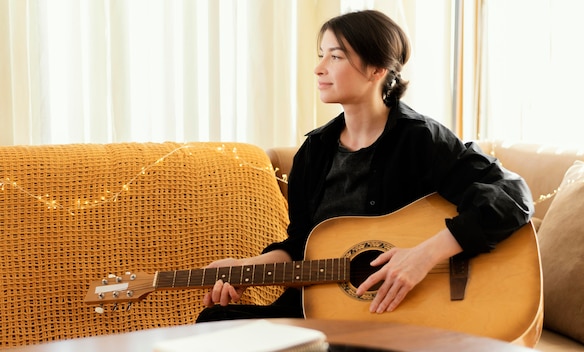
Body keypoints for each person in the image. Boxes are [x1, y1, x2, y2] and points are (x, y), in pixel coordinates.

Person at [196, 9, 533, 322]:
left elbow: (512, 196)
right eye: (321, 55)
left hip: (399, 315)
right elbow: (303, 247)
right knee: (213, 324)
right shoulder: (313, 152)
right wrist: (246, 268)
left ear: (376, 70)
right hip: (321, 312)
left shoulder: (421, 139)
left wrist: (424, 255)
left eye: (336, 56)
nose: (319, 68)